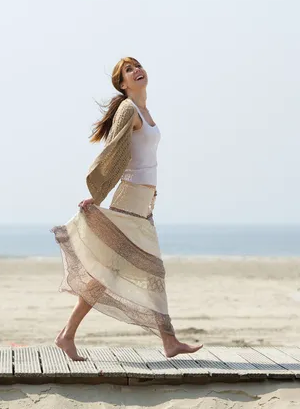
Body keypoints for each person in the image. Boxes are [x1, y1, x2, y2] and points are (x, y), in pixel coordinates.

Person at [51, 57, 203, 361]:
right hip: (129, 199)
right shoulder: (128, 110)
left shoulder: (144, 111)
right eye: (129, 70)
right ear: (123, 84)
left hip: (142, 203)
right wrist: (97, 195)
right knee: (149, 271)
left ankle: (67, 335)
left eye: (138, 66)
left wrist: (149, 203)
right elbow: (116, 152)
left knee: (112, 272)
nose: (137, 71)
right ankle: (169, 341)